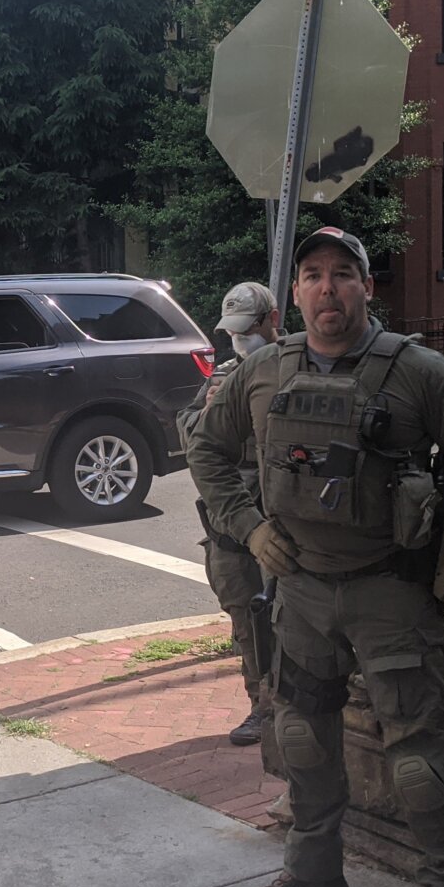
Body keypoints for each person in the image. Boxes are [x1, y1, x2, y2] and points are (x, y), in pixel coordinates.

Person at [189, 227, 444, 887]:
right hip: (301, 591)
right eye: (312, 274)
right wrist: (249, 526)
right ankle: (313, 876)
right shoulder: (264, 372)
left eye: (343, 274)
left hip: (391, 595)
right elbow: (205, 448)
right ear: (294, 293)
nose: (327, 288)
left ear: (367, 287)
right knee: (301, 736)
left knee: (420, 764)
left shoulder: (419, 374)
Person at [177, 281, 280, 748]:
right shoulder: (222, 376)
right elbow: (187, 434)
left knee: (289, 621)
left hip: (276, 521)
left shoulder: (291, 368)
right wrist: (208, 412)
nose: (240, 340)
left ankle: (290, 708)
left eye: (247, 330)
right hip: (228, 527)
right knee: (246, 622)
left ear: (271, 321)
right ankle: (261, 705)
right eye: (233, 332)